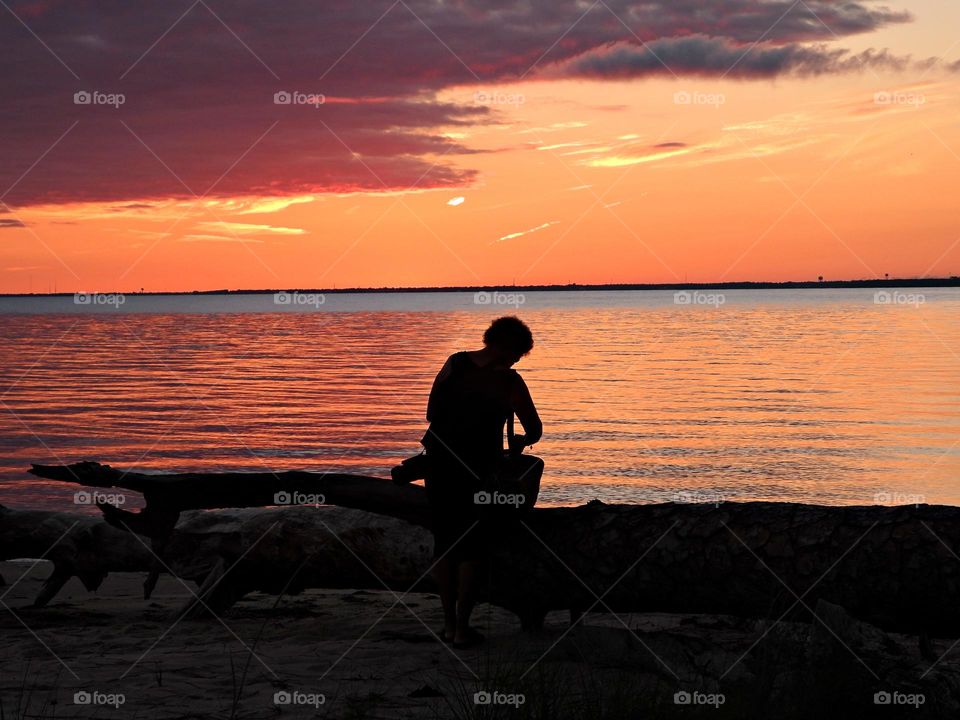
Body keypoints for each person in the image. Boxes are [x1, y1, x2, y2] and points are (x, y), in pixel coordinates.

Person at [421, 316, 543, 649]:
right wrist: (519, 442)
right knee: (473, 547)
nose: (517, 360)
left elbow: (431, 412)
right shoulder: (510, 382)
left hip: (438, 463)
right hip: (480, 470)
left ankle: (448, 626)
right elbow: (534, 429)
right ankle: (462, 628)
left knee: (445, 542)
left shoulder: (455, 362)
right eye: (518, 353)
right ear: (508, 348)